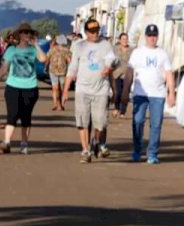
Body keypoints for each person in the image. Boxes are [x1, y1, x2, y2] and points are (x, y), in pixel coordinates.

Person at [63, 19, 116, 163]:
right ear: (86, 32)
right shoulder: (79, 47)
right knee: (83, 121)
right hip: (82, 89)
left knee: (101, 122)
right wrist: (66, 90)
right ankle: (85, 151)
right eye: (92, 32)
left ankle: (96, 141)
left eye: (97, 31)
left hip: (101, 90)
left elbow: (113, 61)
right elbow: (72, 69)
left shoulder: (106, 45)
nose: (95, 34)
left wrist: (109, 68)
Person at [121, 24, 176, 164]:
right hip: (140, 93)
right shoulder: (137, 53)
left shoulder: (162, 54)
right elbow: (129, 72)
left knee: (156, 124)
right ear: (145, 37)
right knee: (138, 121)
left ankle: (152, 153)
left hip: (157, 94)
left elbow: (169, 73)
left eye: (155, 35)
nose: (152, 38)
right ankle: (137, 149)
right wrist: (125, 91)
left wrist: (171, 93)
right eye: (150, 35)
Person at [0, 22, 47, 154]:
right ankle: (7, 142)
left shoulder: (33, 50)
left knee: (26, 117)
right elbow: (4, 69)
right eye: (25, 32)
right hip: (13, 86)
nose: (27, 35)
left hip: (30, 87)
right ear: (19, 35)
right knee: (12, 114)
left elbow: (44, 59)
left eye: (29, 33)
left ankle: (24, 144)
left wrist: (36, 45)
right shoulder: (11, 50)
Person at [46, 35, 71, 111]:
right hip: (63, 71)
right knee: (62, 88)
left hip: (52, 70)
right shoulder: (66, 50)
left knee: (54, 88)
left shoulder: (52, 49)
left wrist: (46, 67)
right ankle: (61, 104)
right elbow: (69, 60)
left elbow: (47, 59)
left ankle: (54, 104)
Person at [112, 32, 132, 118]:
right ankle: (116, 108)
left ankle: (123, 111)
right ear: (120, 40)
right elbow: (110, 58)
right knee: (118, 93)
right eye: (123, 39)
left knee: (125, 93)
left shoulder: (132, 50)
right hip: (117, 74)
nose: (125, 41)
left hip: (128, 75)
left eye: (126, 39)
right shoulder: (115, 49)